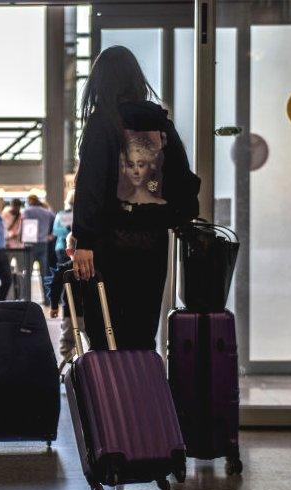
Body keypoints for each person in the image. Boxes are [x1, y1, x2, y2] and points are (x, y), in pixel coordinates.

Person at [72, 46, 200, 351]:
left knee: (104, 331)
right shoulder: (161, 123)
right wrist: (173, 216)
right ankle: (139, 394)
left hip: (107, 245)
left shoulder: (102, 124)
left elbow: (90, 185)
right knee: (142, 332)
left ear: (100, 83)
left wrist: (84, 240)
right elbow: (183, 181)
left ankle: (110, 397)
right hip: (152, 244)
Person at [47, 233, 83, 368]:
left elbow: (54, 287)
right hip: (91, 311)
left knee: (67, 342)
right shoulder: (92, 268)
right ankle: (93, 359)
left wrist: (54, 306)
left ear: (68, 251)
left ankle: (70, 364)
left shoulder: (64, 269)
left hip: (71, 314)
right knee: (94, 339)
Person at [22, 195, 56, 305]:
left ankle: (26, 299)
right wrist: (50, 235)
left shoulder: (27, 211)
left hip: (30, 244)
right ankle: (47, 300)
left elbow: (24, 225)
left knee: (28, 273)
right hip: (43, 244)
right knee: (44, 274)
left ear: (30, 201)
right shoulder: (47, 212)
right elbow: (55, 223)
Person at [52, 189, 75, 265]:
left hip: (63, 247)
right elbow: (55, 231)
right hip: (66, 246)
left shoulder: (61, 214)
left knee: (64, 271)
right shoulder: (62, 214)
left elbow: (55, 231)